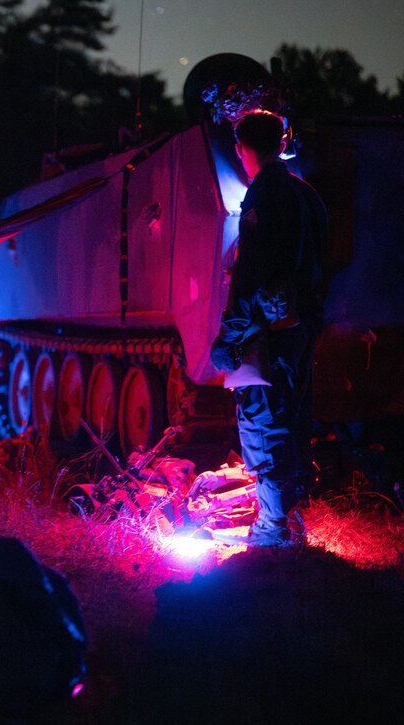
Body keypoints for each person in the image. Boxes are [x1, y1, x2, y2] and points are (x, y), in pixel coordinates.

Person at [210, 111, 328, 546]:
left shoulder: (264, 194)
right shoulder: (304, 192)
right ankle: (292, 520)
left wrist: (229, 337)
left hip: (271, 333)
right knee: (293, 417)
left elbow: (252, 277)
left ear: (242, 149)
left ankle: (272, 526)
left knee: (264, 421)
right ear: (281, 142)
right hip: (302, 327)